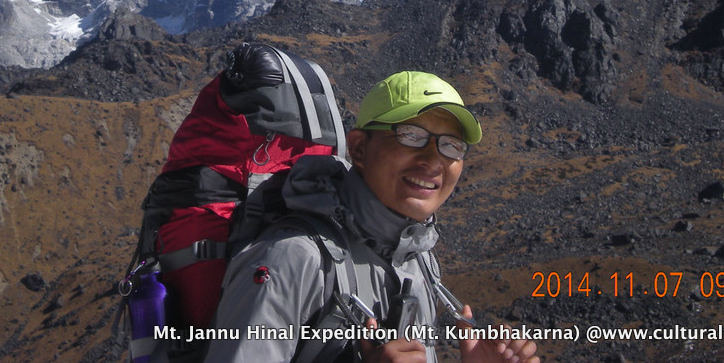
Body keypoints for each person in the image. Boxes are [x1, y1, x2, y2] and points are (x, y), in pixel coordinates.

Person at [204, 70, 540, 363]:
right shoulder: (292, 259)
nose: (434, 160)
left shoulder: (420, 262)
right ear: (360, 149)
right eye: (411, 135)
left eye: (452, 145)